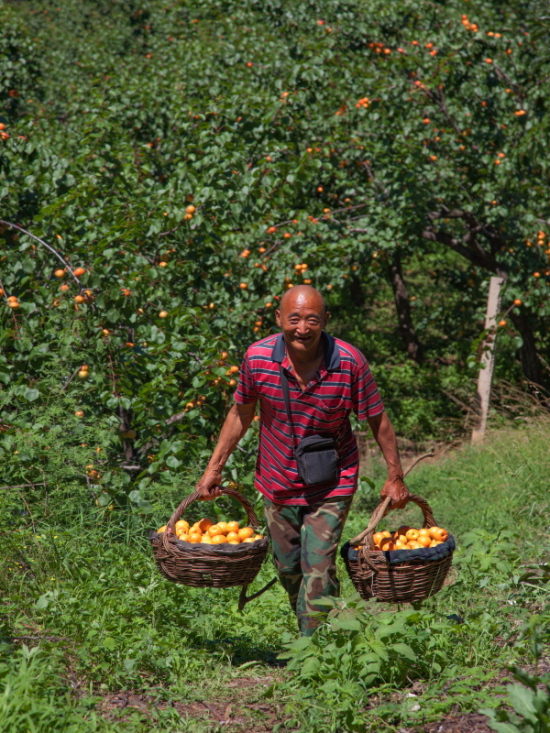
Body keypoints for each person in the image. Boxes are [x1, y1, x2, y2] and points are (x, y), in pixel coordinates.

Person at [195, 285, 408, 634]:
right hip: (276, 479)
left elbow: (377, 419)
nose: (303, 328)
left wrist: (394, 475)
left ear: (326, 320)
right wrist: (213, 470)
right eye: (294, 319)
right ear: (278, 318)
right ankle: (320, 629)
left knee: (318, 566)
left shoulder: (348, 362)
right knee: (288, 567)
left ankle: (315, 648)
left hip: (333, 480)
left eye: (312, 320)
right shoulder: (258, 358)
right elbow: (240, 414)